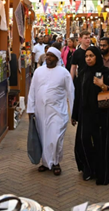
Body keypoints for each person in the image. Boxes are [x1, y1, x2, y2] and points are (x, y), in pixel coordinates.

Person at [72, 47, 109, 185]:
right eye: (86, 56)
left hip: (102, 115)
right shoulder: (82, 73)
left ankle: (102, 173)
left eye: (91, 56)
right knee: (83, 141)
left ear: (97, 57)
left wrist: (103, 86)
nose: (88, 58)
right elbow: (78, 95)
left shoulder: (106, 73)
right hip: (85, 113)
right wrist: (75, 114)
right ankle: (88, 168)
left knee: (101, 145)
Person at [27, 47, 74, 176]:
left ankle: (56, 162)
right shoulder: (38, 71)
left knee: (56, 137)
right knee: (43, 137)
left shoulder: (64, 73)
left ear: (57, 58)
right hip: (41, 111)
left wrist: (74, 113)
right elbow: (32, 90)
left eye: (51, 55)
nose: (48, 57)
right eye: (47, 55)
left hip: (58, 111)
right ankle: (46, 162)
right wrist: (30, 109)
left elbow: (71, 92)